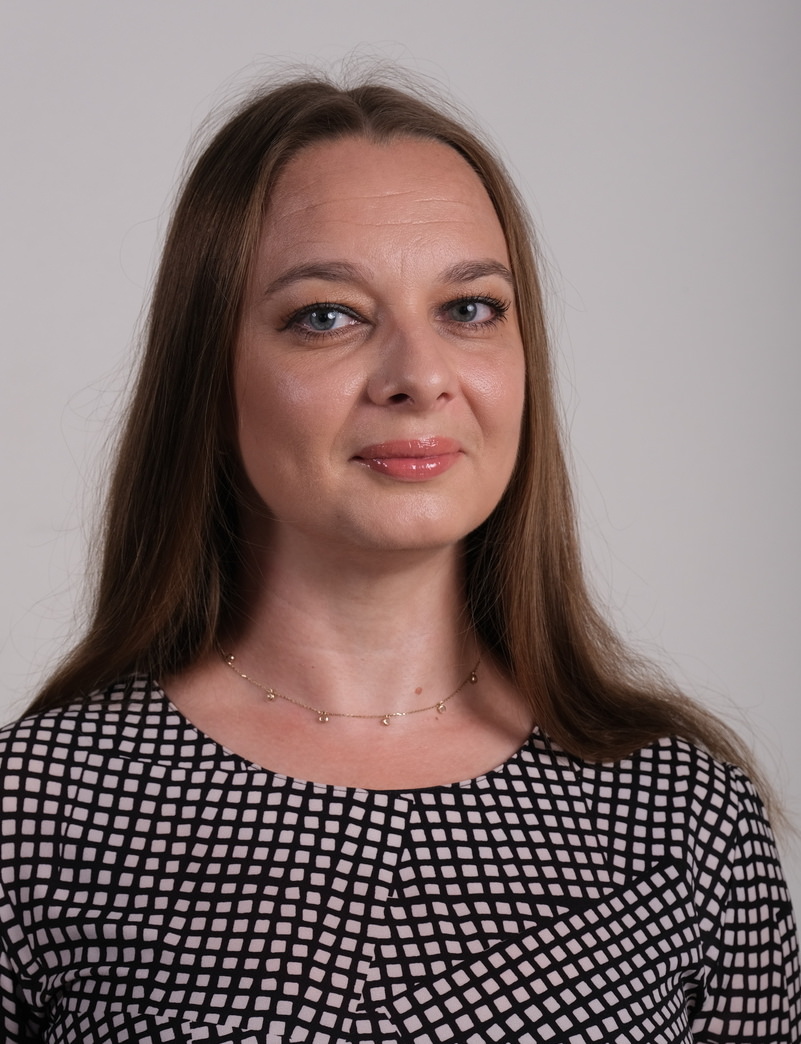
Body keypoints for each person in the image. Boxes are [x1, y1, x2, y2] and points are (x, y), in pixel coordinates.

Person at [1, 72, 798, 1044]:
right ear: (208, 374)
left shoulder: (685, 817)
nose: (420, 376)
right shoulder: (38, 810)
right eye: (328, 315)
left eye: (470, 309)